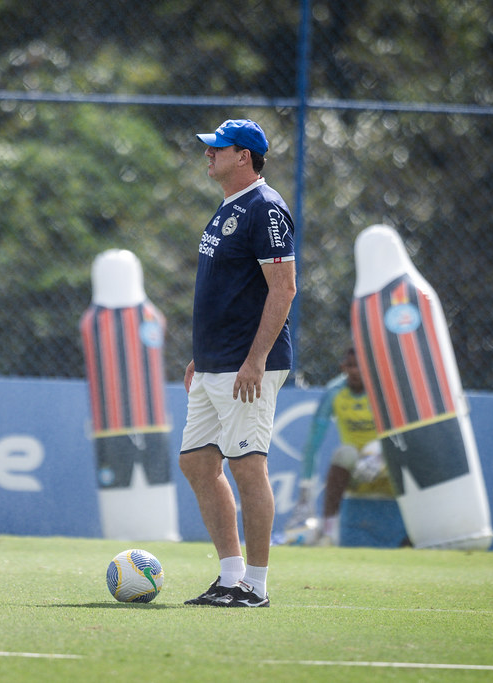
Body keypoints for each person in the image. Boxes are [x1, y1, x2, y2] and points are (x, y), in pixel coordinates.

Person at [179, 119, 297, 608]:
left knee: (248, 467)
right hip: (213, 363)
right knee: (197, 463)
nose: (208, 155)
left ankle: (256, 585)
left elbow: (283, 288)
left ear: (243, 156)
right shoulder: (228, 207)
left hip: (247, 366)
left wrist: (256, 360)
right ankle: (230, 577)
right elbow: (225, 293)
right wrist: (198, 358)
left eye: (217, 149)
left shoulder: (265, 207)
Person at [290, 345, 393, 546]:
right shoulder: (334, 392)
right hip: (356, 467)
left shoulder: (385, 391)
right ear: (343, 367)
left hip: (386, 465)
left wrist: (381, 452)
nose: (356, 372)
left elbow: (402, 431)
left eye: (361, 366)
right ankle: (329, 534)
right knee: (344, 453)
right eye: (352, 366)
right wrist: (305, 491)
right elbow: (313, 443)